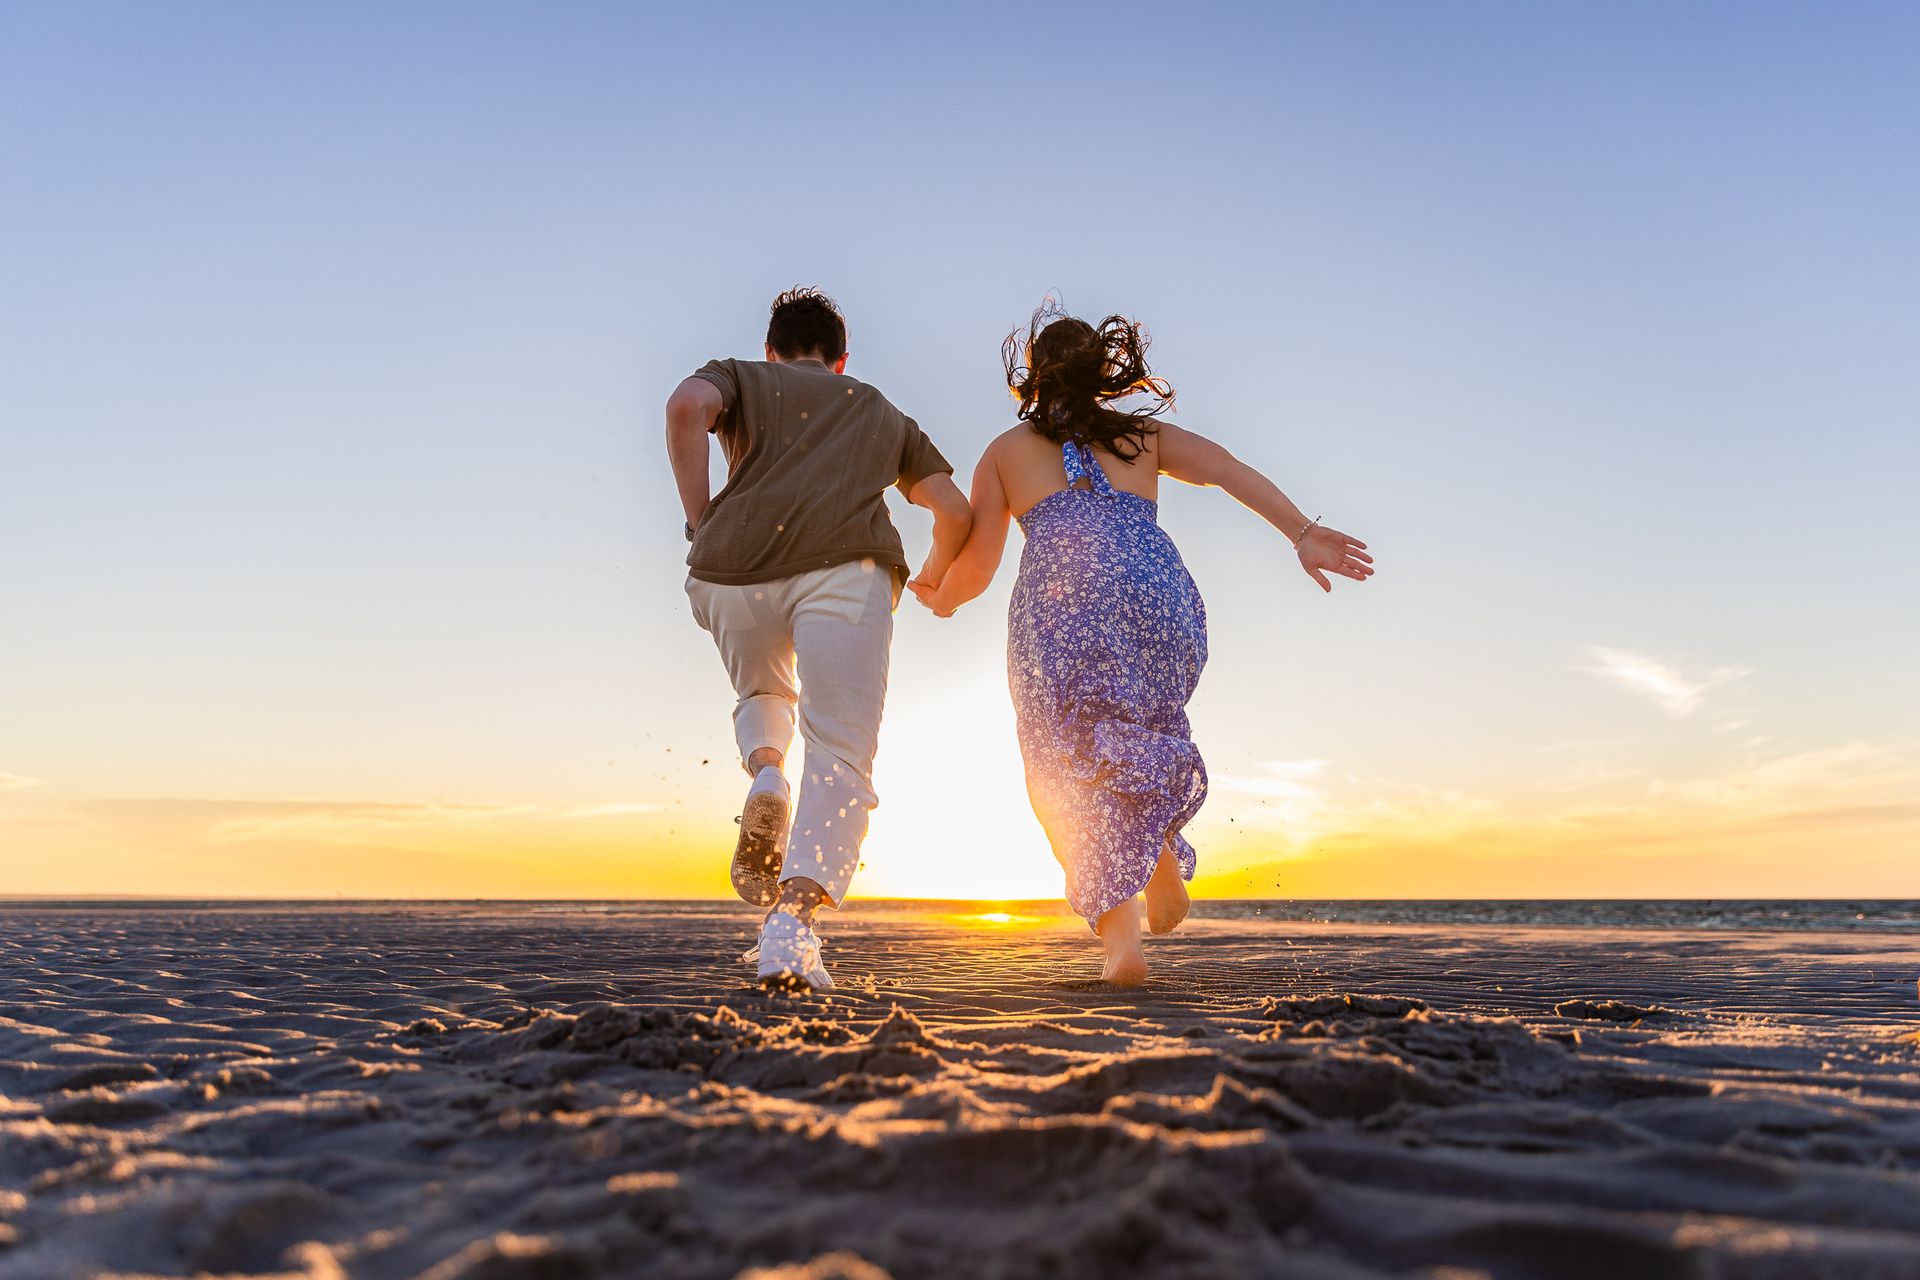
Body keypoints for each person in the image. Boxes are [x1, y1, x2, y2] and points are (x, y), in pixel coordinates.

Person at [909, 304, 1373, 985]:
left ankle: (1122, 941)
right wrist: (1301, 531)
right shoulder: (1142, 436)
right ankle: (1154, 853)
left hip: (1066, 605)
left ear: (1034, 377)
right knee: (1141, 727)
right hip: (1156, 592)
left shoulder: (1006, 452)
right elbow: (1225, 468)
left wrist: (943, 597)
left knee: (1065, 762)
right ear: (1102, 372)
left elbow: (978, 565)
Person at [667, 287, 970, 991]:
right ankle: (791, 927)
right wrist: (932, 576)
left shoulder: (741, 377)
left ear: (772, 350)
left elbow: (685, 408)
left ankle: (767, 772)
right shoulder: (877, 409)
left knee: (763, 690)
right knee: (839, 750)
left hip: (730, 572)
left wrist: (700, 520)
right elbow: (952, 509)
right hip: (845, 572)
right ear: (841, 361)